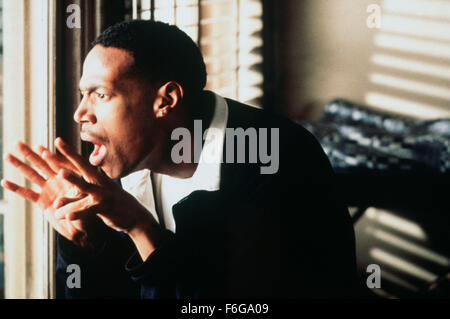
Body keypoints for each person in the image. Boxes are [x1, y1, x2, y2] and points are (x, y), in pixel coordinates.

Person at [1, 20, 357, 298]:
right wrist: (83, 247)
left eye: (101, 94)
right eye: (83, 94)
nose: (81, 113)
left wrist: (142, 230)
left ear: (166, 100)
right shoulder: (118, 169)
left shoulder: (276, 160)